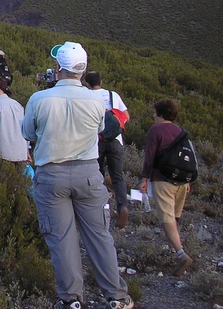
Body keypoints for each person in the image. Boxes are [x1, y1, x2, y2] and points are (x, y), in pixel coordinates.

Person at [21, 42, 132, 309]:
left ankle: (71, 298)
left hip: (51, 174)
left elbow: (29, 134)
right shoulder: (96, 100)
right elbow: (104, 129)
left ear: (58, 68)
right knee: (99, 235)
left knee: (61, 238)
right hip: (88, 172)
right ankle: (116, 296)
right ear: (82, 70)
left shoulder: (39, 99)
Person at [140, 99, 194, 277]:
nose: (153, 115)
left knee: (167, 220)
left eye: (155, 112)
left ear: (161, 113)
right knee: (175, 218)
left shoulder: (156, 130)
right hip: (182, 181)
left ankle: (180, 253)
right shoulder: (182, 132)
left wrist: (145, 178)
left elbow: (150, 156)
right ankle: (173, 249)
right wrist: (188, 181)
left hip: (162, 180)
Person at [84, 71, 131, 229]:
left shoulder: (87, 97)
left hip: (96, 141)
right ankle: (122, 206)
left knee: (98, 175)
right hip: (115, 141)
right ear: (101, 81)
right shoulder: (113, 95)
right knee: (118, 176)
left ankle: (102, 207)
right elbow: (126, 116)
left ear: (87, 84)